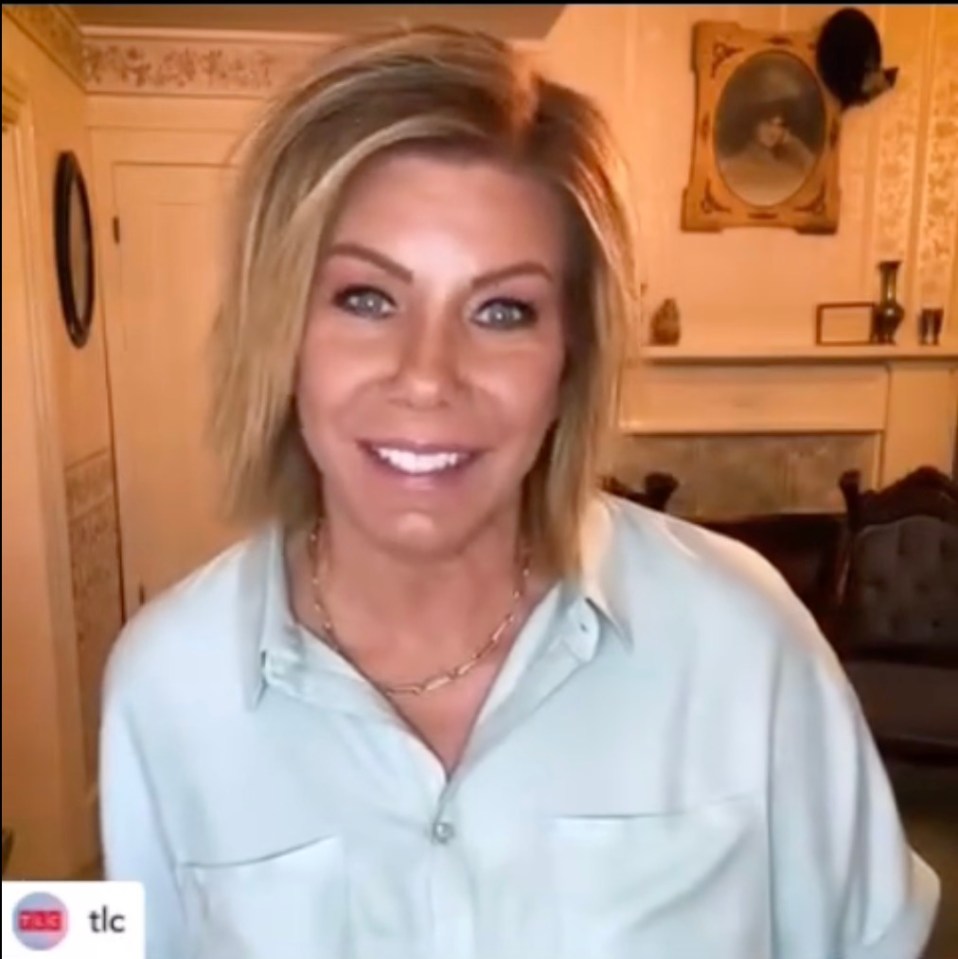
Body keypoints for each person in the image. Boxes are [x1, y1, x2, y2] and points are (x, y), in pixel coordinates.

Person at [99, 24, 939, 959]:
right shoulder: (164, 686)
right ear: (282, 332)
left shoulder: (745, 643)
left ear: (568, 358)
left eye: (503, 310)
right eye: (366, 298)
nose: (428, 377)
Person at [718, 96, 818, 207]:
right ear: (753, 125)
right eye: (767, 123)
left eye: (779, 125)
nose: (773, 131)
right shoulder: (733, 166)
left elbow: (815, 177)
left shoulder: (790, 168)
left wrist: (792, 142)